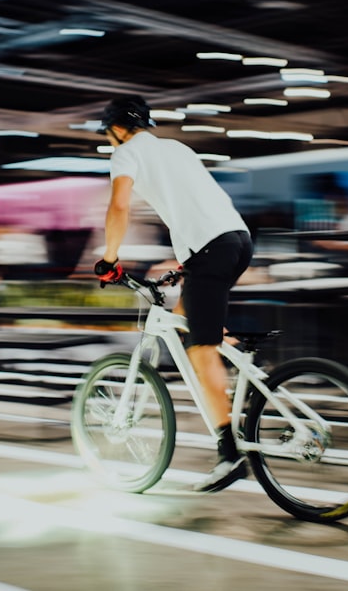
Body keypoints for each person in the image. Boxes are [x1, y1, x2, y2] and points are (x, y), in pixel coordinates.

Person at [93, 95, 253, 493]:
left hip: (210, 250)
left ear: (116, 129)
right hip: (237, 240)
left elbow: (118, 207)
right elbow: (198, 208)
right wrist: (183, 265)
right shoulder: (176, 148)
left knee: (201, 347)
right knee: (187, 320)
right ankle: (240, 357)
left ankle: (229, 452)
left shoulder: (127, 153)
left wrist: (109, 258)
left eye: (110, 134)